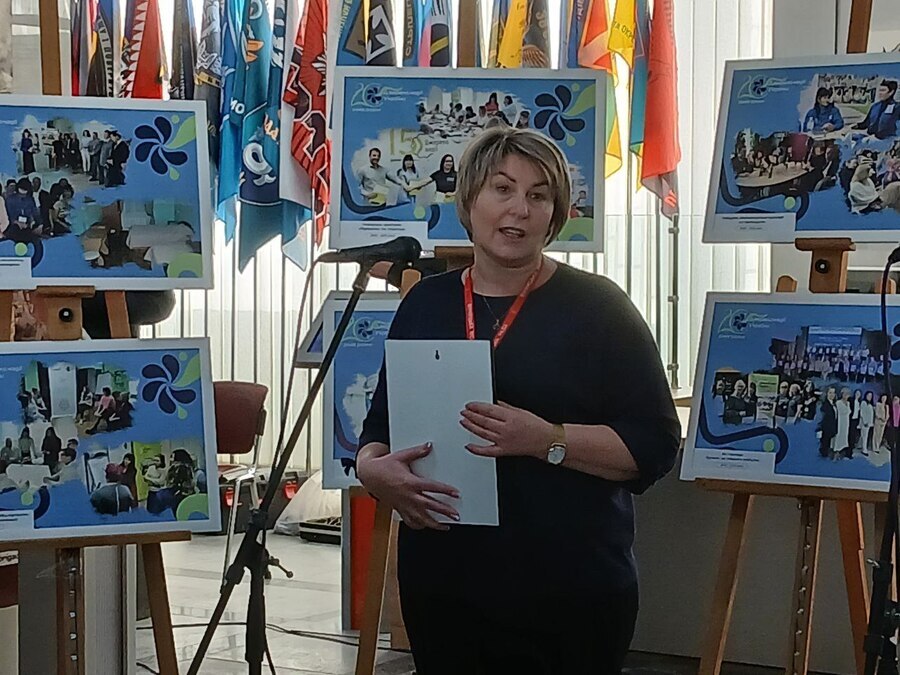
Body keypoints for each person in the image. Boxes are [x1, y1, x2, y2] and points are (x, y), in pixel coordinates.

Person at [355, 126, 681, 674]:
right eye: (502, 189)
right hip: (445, 586)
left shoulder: (599, 308)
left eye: (538, 195)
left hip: (568, 592)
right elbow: (379, 429)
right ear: (470, 201)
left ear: (555, 215)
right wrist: (372, 471)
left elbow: (655, 443)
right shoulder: (425, 304)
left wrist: (547, 440)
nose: (520, 209)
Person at [4, 178, 40, 242]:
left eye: (25, 192)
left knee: (34, 237)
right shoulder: (10, 200)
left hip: (27, 225)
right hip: (14, 226)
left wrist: (35, 222)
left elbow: (34, 212)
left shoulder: (30, 200)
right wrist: (17, 223)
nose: (23, 194)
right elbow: (9, 216)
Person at [817, 387, 838, 458]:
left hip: (831, 428)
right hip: (825, 429)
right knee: (824, 446)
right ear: (827, 394)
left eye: (833, 393)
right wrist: (820, 429)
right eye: (830, 393)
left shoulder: (834, 404)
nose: (832, 394)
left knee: (827, 445)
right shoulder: (824, 405)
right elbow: (821, 418)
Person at [835, 388, 852, 458]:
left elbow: (849, 411)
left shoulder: (848, 403)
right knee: (839, 435)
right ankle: (836, 451)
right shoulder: (838, 402)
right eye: (844, 394)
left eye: (847, 394)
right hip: (840, 422)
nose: (846, 395)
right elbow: (842, 411)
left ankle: (842, 450)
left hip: (846, 422)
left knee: (845, 436)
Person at [859, 391, 875, 456]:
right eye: (868, 395)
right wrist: (865, 422)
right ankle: (864, 449)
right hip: (865, 423)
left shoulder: (870, 404)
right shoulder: (863, 403)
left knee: (864, 435)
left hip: (869, 423)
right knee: (865, 436)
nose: (869, 397)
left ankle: (860, 446)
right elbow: (862, 413)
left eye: (871, 396)